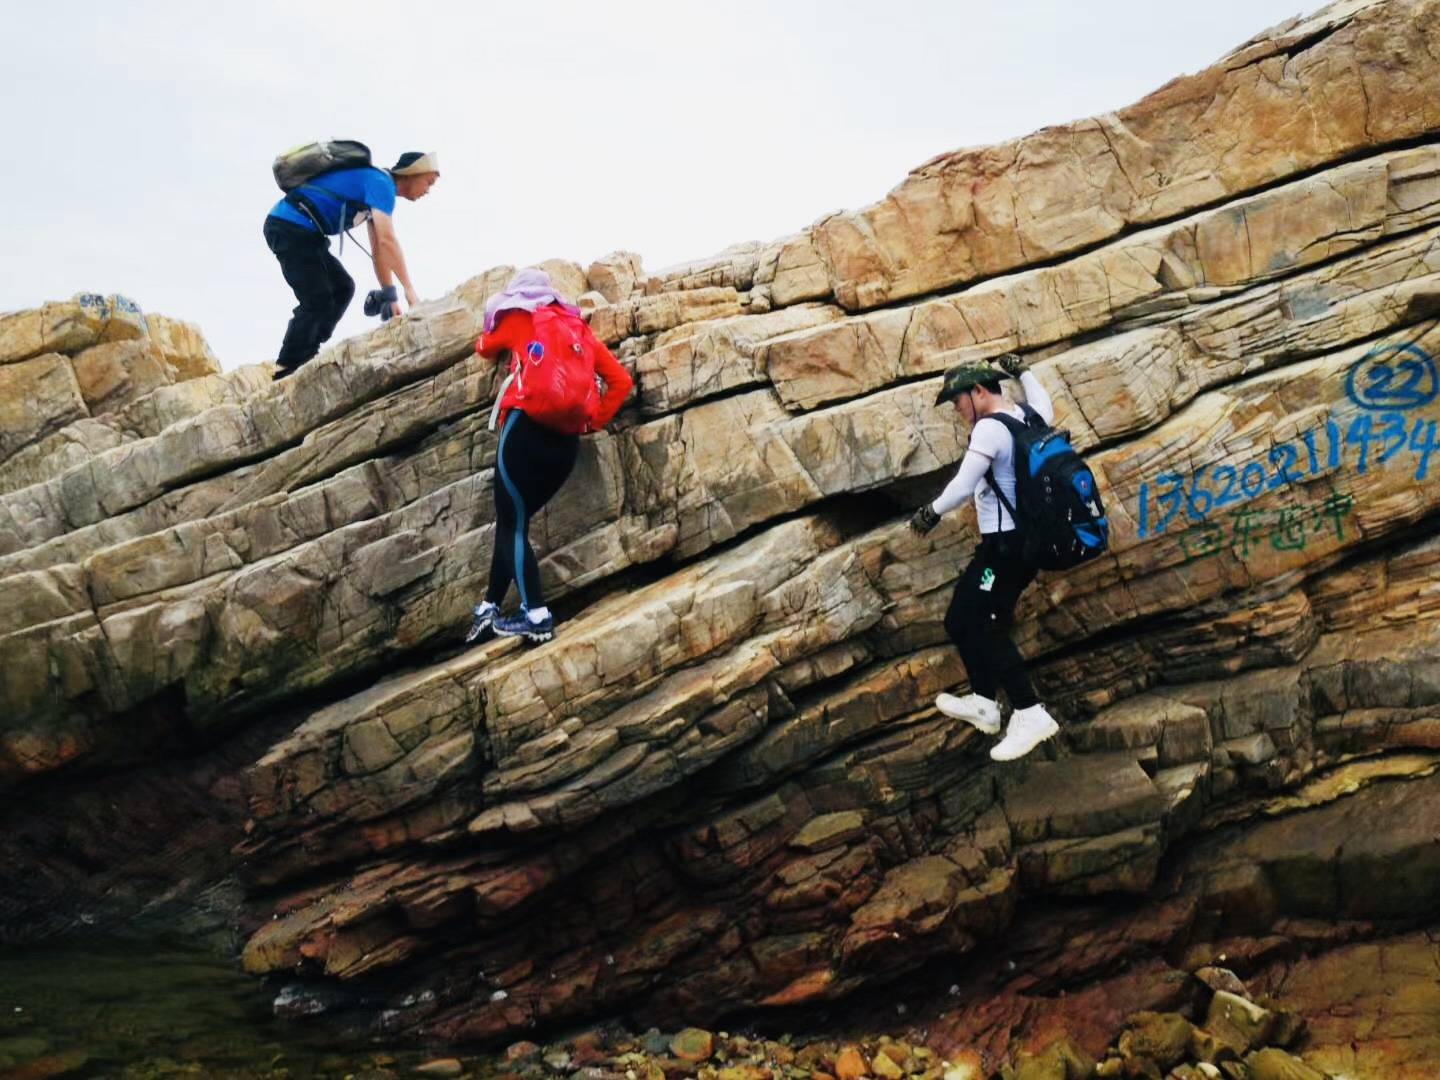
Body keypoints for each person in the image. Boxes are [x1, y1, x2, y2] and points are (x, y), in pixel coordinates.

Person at [465, 269, 634, 645]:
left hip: (525, 433)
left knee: (512, 526)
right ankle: (489, 606)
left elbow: (483, 347)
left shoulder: (517, 319)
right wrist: (593, 423)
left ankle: (537, 615)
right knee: (513, 522)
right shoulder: (579, 330)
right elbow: (621, 381)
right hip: (566, 445)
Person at [908, 353, 1061, 761]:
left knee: (987, 625)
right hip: (1018, 545)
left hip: (1006, 549)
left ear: (978, 392)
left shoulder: (989, 429)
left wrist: (930, 513)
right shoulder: (1030, 414)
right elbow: (1043, 396)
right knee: (960, 619)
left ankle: (1029, 712)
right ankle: (984, 703)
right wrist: (1024, 370)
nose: (957, 410)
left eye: (958, 401)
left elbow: (963, 485)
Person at [263, 150, 441, 380]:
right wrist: (409, 290)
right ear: (413, 174)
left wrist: (390, 295)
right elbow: (388, 240)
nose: (428, 191)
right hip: (289, 226)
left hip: (303, 232)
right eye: (428, 182)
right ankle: (289, 364)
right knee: (318, 297)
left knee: (342, 288)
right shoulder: (381, 184)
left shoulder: (377, 189)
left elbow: (379, 251)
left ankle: (307, 352)